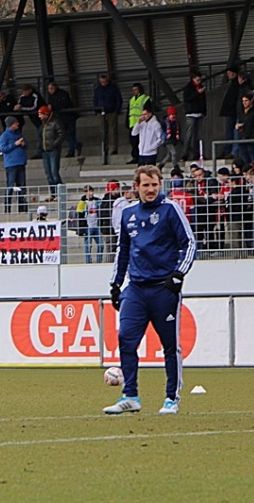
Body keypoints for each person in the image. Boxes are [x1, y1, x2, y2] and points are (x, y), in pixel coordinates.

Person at [105, 164, 196, 416]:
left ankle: (171, 398)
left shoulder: (170, 210)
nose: (150, 189)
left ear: (160, 185)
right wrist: (115, 283)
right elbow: (122, 250)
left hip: (163, 288)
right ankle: (130, 395)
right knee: (126, 339)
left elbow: (189, 243)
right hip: (135, 289)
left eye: (154, 184)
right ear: (136, 187)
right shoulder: (127, 214)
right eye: (145, 185)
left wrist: (178, 275)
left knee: (169, 345)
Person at [0, 116, 28, 214]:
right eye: (16, 123)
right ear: (11, 124)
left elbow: (26, 146)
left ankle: (22, 208)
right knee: (10, 185)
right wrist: (15, 144)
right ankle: (7, 208)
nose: (18, 124)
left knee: (22, 186)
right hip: (11, 164)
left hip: (21, 163)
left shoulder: (19, 134)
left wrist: (23, 144)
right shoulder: (4, 136)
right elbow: (3, 149)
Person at [37, 105, 64, 200]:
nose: (39, 116)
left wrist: (54, 144)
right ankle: (53, 193)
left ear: (46, 114)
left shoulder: (55, 122)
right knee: (48, 174)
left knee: (54, 172)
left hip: (53, 150)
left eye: (40, 114)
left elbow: (61, 134)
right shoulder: (42, 125)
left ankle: (60, 193)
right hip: (45, 151)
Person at [46, 81, 80, 157]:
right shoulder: (51, 97)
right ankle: (76, 145)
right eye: (49, 89)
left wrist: (53, 107)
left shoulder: (63, 94)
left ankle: (72, 151)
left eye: (51, 88)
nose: (50, 91)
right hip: (61, 118)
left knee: (71, 133)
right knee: (63, 134)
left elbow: (64, 104)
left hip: (69, 116)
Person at [93, 74, 123, 158]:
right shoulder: (97, 90)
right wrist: (96, 110)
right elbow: (95, 100)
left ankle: (114, 149)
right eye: (102, 82)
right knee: (103, 132)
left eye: (105, 81)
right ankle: (104, 149)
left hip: (111, 113)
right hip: (101, 113)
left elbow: (118, 99)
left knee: (112, 131)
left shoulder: (113, 88)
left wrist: (116, 111)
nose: (103, 83)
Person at [14, 84, 45, 159]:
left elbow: (34, 107)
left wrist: (22, 109)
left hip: (41, 119)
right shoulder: (22, 97)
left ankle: (40, 152)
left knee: (41, 135)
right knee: (40, 134)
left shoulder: (35, 96)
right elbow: (19, 105)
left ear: (30, 90)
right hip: (34, 120)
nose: (24, 93)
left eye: (26, 91)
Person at [181, 71, 207, 160]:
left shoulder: (201, 87)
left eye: (200, 80)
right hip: (191, 113)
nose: (199, 81)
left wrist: (204, 111)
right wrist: (197, 93)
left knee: (198, 135)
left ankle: (197, 153)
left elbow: (204, 100)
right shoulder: (188, 88)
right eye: (197, 80)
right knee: (189, 135)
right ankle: (185, 154)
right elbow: (187, 99)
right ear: (193, 79)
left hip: (199, 113)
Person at [76, 185, 102, 263]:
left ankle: (99, 261)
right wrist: (81, 228)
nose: (90, 193)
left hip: (96, 226)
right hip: (88, 227)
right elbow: (79, 216)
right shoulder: (82, 202)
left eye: (91, 191)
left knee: (100, 245)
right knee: (88, 246)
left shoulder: (97, 201)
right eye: (87, 191)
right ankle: (88, 262)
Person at [218, 66, 240, 158]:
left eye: (229, 73)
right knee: (230, 132)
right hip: (230, 112)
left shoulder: (236, 86)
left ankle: (230, 150)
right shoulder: (232, 85)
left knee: (231, 132)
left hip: (232, 112)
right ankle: (228, 150)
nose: (228, 75)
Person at [127, 83, 150, 164]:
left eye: (136, 89)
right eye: (133, 90)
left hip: (142, 124)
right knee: (133, 142)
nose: (134, 91)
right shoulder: (131, 100)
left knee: (140, 142)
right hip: (132, 124)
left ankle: (140, 157)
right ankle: (135, 157)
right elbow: (129, 112)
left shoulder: (145, 98)